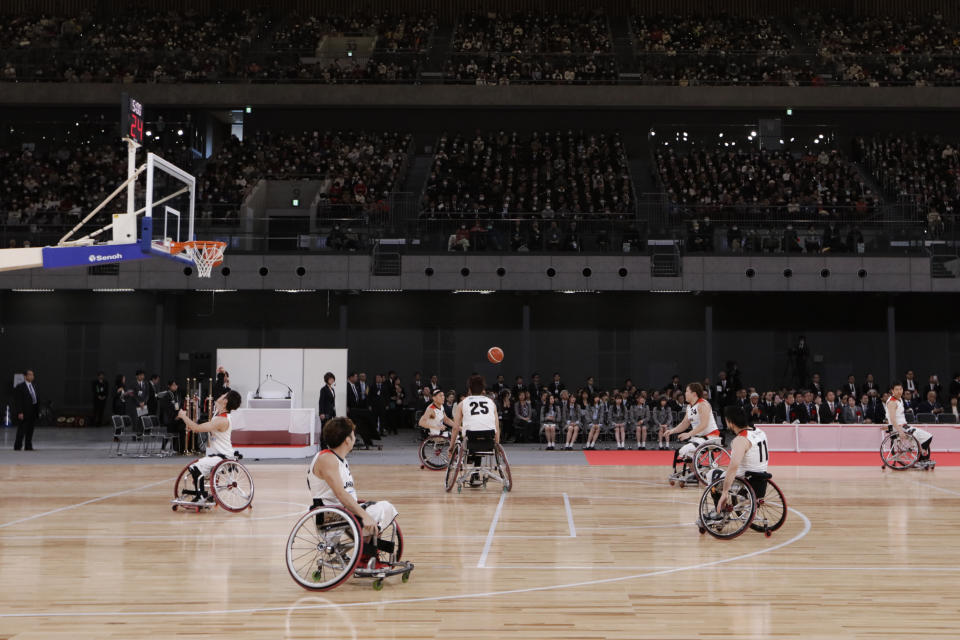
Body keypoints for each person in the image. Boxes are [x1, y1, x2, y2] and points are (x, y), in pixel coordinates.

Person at [307, 417, 399, 564]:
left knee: (381, 507)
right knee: (381, 509)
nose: (355, 437)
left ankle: (368, 550)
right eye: (353, 434)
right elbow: (341, 494)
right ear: (347, 440)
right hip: (330, 517)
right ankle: (364, 555)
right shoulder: (327, 459)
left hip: (345, 513)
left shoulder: (340, 460)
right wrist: (364, 515)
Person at [176, 390, 243, 503]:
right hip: (220, 454)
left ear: (225, 401)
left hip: (223, 457)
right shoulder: (220, 414)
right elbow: (216, 404)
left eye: (223, 395)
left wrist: (183, 416)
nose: (220, 395)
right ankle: (201, 492)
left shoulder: (221, 420)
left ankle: (201, 497)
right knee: (198, 469)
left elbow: (196, 429)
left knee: (194, 467)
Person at [715, 406, 770, 513]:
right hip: (762, 479)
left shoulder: (740, 440)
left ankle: (719, 513)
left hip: (745, 482)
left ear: (730, 422)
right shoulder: (760, 432)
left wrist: (725, 492)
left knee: (712, 475)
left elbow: (733, 468)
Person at [449, 375, 500, 486]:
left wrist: (451, 446)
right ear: (483, 390)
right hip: (489, 437)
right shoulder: (491, 402)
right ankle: (475, 473)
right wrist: (497, 444)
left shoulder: (462, 403)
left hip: (471, 438)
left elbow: (455, 427)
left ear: (469, 390)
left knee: (471, 441)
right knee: (481, 439)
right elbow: (497, 426)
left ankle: (473, 470)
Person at [665, 382, 721, 469]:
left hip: (710, 437)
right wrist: (672, 431)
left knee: (685, 450)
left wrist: (688, 434)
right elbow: (684, 423)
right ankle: (696, 474)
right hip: (699, 437)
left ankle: (698, 474)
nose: (685, 394)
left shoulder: (703, 404)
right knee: (686, 454)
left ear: (694, 394)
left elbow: (704, 425)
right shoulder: (689, 407)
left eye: (687, 391)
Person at [887, 381, 934, 469]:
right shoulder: (892, 402)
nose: (899, 391)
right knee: (924, 437)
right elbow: (892, 419)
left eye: (900, 389)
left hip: (905, 427)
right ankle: (922, 459)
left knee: (928, 437)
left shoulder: (899, 400)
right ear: (892, 391)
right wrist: (900, 431)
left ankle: (922, 459)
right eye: (896, 389)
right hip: (899, 428)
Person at [13, 369, 39, 451]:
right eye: (30, 375)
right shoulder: (20, 387)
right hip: (24, 411)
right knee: (21, 430)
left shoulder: (33, 385)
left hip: (33, 411)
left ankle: (28, 446)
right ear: (25, 376)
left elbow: (35, 398)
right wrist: (20, 412)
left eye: (33, 375)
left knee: (30, 430)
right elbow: (18, 400)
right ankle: (17, 446)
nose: (32, 376)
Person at [156, 379, 184, 454]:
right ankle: (163, 448)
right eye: (173, 385)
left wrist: (179, 415)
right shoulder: (167, 394)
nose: (175, 387)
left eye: (176, 385)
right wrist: (174, 416)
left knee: (176, 431)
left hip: (177, 416)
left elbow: (178, 405)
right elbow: (166, 408)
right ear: (169, 386)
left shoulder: (177, 394)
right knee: (170, 433)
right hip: (169, 417)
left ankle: (174, 448)